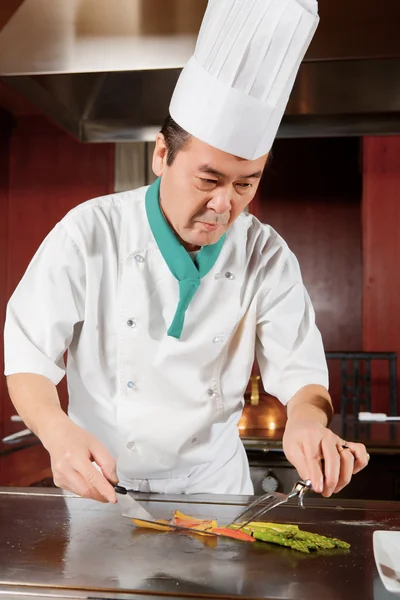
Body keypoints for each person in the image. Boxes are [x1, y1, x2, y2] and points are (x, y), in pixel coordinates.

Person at [4, 0, 369, 503]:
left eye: (246, 184)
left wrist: (306, 423)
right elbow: (29, 353)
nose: (224, 205)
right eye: (209, 179)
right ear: (161, 154)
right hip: (104, 487)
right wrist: (56, 432)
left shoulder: (264, 253)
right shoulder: (90, 232)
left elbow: (303, 374)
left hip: (213, 490)